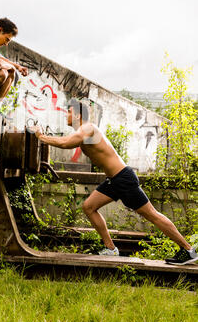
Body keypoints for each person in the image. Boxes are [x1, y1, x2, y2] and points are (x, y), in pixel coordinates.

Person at [33, 98, 197, 265]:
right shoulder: (83, 131)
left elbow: (66, 143)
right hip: (114, 180)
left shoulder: (88, 128)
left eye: (69, 111)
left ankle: (188, 250)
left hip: (123, 179)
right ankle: (110, 248)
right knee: (89, 207)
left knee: (152, 215)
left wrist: (41, 137)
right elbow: (68, 141)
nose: (66, 115)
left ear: (77, 115)